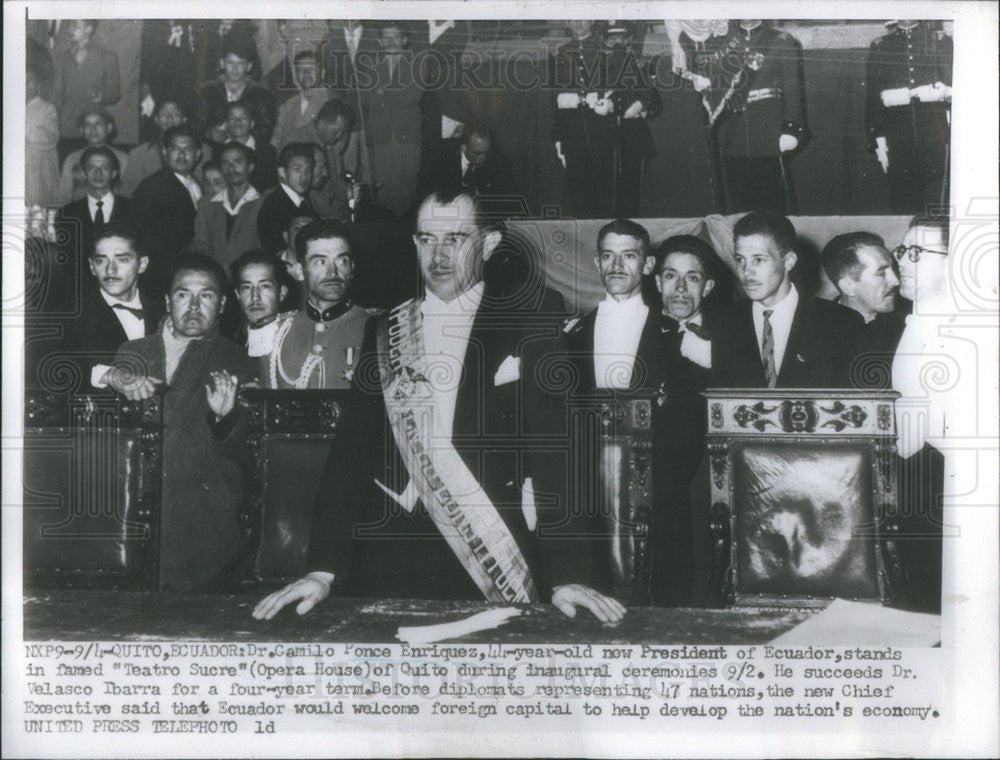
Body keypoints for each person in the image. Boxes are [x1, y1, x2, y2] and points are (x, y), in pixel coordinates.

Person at [253, 189, 626, 622]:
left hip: (491, 556)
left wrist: (568, 574)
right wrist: (321, 570)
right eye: (428, 239)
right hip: (388, 558)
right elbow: (350, 459)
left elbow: (557, 451)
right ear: (414, 245)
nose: (440, 254)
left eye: (456, 238)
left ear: (487, 246)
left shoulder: (531, 317)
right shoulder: (386, 330)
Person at [106, 253, 255, 591]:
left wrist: (225, 417)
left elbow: (248, 452)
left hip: (203, 526)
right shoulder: (134, 352)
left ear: (221, 305)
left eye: (206, 295)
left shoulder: (238, 359)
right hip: (133, 519)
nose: (193, 305)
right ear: (167, 300)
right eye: (183, 294)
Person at [711, 212, 863, 388]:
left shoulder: (841, 322)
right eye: (740, 260)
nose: (747, 271)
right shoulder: (722, 323)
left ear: (789, 261)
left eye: (758, 259)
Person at [649, 235, 720, 606]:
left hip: (713, 482)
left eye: (691, 278)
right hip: (658, 492)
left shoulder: (732, 332)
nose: (679, 288)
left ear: (707, 286)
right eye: (670, 276)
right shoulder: (640, 333)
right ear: (657, 281)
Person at [890, 215, 956, 613]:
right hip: (911, 484)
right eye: (902, 249)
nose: (902, 260)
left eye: (917, 252)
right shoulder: (914, 323)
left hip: (945, 491)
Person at [707, 20, 808, 213]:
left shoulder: (780, 41)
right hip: (733, 132)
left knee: (771, 207)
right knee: (739, 207)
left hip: (768, 132)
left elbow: (793, 89)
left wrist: (792, 128)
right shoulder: (722, 42)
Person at [261, 219, 369, 389]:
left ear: (352, 268)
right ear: (299, 271)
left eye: (342, 261)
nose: (333, 272)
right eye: (320, 261)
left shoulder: (376, 328)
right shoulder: (276, 333)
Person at [865, 21, 952, 214]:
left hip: (934, 132)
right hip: (897, 134)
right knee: (902, 199)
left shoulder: (939, 42)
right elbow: (873, 98)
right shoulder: (881, 45)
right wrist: (878, 136)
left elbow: (955, 86)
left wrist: (941, 91)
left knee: (936, 199)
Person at [563, 219, 660, 392]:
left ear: (648, 265)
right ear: (598, 264)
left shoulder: (670, 330)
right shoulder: (574, 333)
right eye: (608, 255)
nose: (617, 266)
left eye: (628, 255)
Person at [63, 225, 164, 390]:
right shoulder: (71, 316)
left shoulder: (164, 312)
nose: (110, 270)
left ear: (142, 264)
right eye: (101, 260)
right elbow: (51, 366)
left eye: (122, 259)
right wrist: (108, 375)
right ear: (91, 267)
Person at [821, 231, 909, 388]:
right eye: (881, 273)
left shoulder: (909, 327)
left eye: (894, 270)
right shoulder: (814, 332)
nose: (895, 281)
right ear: (848, 286)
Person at [360, 21, 424, 217]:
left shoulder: (417, 62)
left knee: (407, 185)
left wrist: (382, 92)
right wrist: (391, 94)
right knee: (382, 188)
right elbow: (365, 97)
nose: (391, 42)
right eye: (386, 37)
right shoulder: (369, 64)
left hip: (408, 136)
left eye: (395, 37)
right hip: (380, 136)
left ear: (404, 40)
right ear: (379, 41)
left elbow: (414, 95)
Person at [130, 125, 204, 293]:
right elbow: (144, 237)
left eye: (188, 149)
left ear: (198, 154)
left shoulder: (195, 183)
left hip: (187, 272)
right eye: (175, 149)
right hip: (162, 275)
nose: (182, 154)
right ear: (164, 153)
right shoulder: (153, 186)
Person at [290, 99, 367, 222]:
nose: (339, 137)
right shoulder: (298, 142)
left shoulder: (327, 143)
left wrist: (349, 192)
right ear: (321, 124)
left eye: (342, 133)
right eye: (335, 131)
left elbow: (333, 183)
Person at [52, 20, 121, 150]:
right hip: (67, 126)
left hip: (95, 125)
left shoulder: (108, 57)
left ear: (89, 29)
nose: (70, 30)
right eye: (70, 25)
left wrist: (101, 96)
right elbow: (57, 93)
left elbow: (114, 93)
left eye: (75, 25)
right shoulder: (62, 58)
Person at [193, 142, 263, 268]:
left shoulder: (263, 204)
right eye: (226, 163)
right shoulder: (206, 204)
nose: (231, 168)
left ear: (250, 167)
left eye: (237, 162)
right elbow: (201, 245)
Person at [198, 36, 276, 148]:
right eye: (230, 62)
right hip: (213, 148)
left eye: (240, 63)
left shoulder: (261, 95)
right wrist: (211, 134)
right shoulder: (207, 91)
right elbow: (197, 124)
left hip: (249, 150)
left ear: (249, 66)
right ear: (222, 63)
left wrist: (240, 136)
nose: (235, 69)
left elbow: (266, 129)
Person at [59, 146, 131, 262]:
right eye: (92, 167)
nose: (98, 173)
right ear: (83, 173)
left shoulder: (133, 210)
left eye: (105, 167)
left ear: (114, 173)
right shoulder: (67, 214)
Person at [419, 120, 515, 199]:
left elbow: (505, 195)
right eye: (477, 153)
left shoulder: (496, 161)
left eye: (486, 153)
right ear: (463, 147)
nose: (483, 158)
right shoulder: (440, 158)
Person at [57, 109, 129, 205]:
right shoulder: (72, 159)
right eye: (87, 125)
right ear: (81, 130)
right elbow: (64, 196)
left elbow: (128, 195)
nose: (93, 129)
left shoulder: (123, 159)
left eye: (98, 124)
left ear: (109, 128)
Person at [230, 248, 292, 357]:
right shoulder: (231, 345)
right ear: (238, 295)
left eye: (264, 286)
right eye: (247, 287)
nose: (255, 297)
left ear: (282, 293)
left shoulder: (296, 338)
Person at [256, 142, 315, 255]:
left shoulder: (303, 200)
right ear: (282, 172)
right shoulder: (274, 205)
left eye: (308, 170)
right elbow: (274, 249)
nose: (304, 176)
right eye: (297, 170)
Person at [122, 99, 187, 196]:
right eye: (164, 114)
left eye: (176, 114)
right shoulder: (138, 154)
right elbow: (128, 192)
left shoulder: (203, 151)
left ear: (184, 120)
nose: (169, 119)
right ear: (156, 120)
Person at [271, 50, 330, 151]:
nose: (306, 73)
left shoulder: (331, 101)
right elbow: (276, 139)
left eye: (311, 69)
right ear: (295, 76)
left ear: (322, 73)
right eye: (301, 70)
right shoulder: (287, 105)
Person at [213, 101, 279, 191]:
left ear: (252, 123)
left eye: (243, 118)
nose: (237, 122)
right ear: (227, 124)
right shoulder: (218, 151)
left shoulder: (267, 151)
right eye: (232, 118)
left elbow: (270, 186)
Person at [26, 64, 60, 207]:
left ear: (39, 85)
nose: (24, 85)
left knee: (37, 203)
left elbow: (51, 138)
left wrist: (24, 127)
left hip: (39, 166)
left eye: (28, 82)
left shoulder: (47, 108)